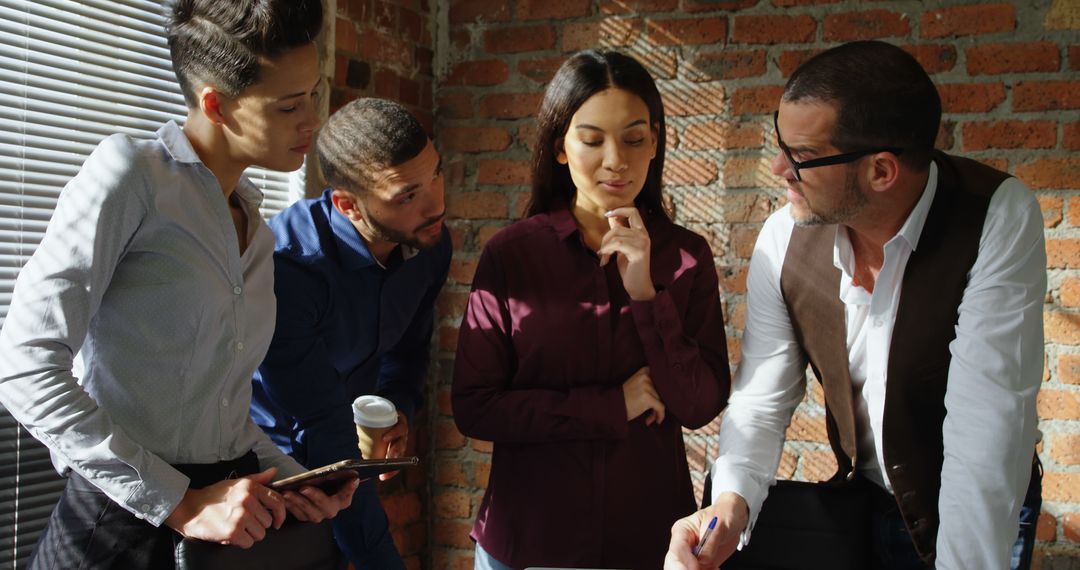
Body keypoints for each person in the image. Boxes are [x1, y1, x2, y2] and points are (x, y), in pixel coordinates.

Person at [0, 1, 359, 567]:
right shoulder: (132, 177)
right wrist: (179, 503)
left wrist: (297, 481)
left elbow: (218, 417)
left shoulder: (256, 231)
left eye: (313, 94)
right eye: (290, 105)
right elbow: (23, 365)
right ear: (215, 104)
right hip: (119, 522)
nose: (312, 120)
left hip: (219, 518)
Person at [665, 40, 1045, 570]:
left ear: (881, 171)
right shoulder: (784, 238)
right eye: (780, 144)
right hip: (863, 505)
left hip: (978, 512)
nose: (779, 167)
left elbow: (987, 434)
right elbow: (761, 396)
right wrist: (731, 502)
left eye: (802, 157)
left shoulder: (995, 217)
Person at [452, 49, 731, 570]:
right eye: (592, 139)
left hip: (648, 540)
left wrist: (646, 294)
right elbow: (475, 406)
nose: (616, 161)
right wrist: (611, 405)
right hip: (529, 540)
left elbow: (698, 405)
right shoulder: (512, 255)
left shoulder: (687, 256)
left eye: (633, 138)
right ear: (560, 146)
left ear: (655, 142)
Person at [250, 97, 451, 569]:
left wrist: (398, 409)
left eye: (436, 174)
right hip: (265, 481)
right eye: (407, 194)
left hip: (340, 466)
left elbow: (407, 352)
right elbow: (320, 427)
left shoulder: (428, 239)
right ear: (347, 205)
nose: (436, 202)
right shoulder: (290, 269)